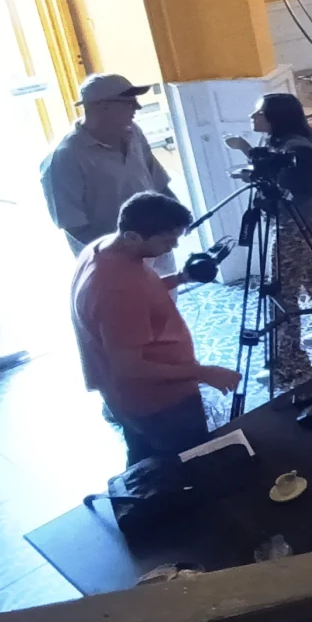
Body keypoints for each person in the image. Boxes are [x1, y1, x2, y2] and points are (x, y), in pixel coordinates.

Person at [70, 191, 240, 464]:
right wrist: (203, 372)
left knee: (144, 462)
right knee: (189, 465)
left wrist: (180, 278)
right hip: (159, 403)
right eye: (167, 240)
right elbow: (129, 367)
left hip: (126, 398)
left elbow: (140, 296)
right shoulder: (117, 289)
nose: (173, 247)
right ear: (132, 236)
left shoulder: (102, 249)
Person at [227, 93, 312, 381]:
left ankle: (288, 363)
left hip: (292, 224)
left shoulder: (299, 150)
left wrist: (248, 156)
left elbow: (296, 188)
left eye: (259, 113)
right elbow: (272, 169)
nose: (252, 117)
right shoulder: (276, 142)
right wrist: (251, 161)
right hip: (291, 221)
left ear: (278, 117)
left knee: (280, 293)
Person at [41, 73, 176, 255]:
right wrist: (121, 252)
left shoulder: (133, 132)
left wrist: (178, 218)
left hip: (156, 247)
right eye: (129, 102)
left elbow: (158, 183)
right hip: (110, 260)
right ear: (102, 106)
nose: (138, 107)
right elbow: (73, 224)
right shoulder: (64, 157)